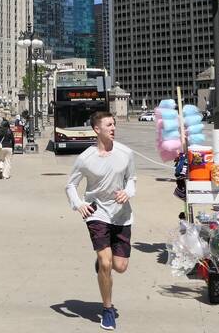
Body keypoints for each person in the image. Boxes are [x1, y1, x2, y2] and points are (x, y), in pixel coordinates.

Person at [65, 112, 136, 331]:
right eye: (108, 125)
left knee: (120, 266)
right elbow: (70, 185)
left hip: (122, 214)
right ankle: (107, 310)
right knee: (106, 263)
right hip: (97, 214)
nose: (113, 128)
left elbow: (132, 179)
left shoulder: (126, 153)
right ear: (97, 130)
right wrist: (79, 204)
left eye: (114, 124)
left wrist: (128, 192)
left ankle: (102, 263)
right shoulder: (86, 158)